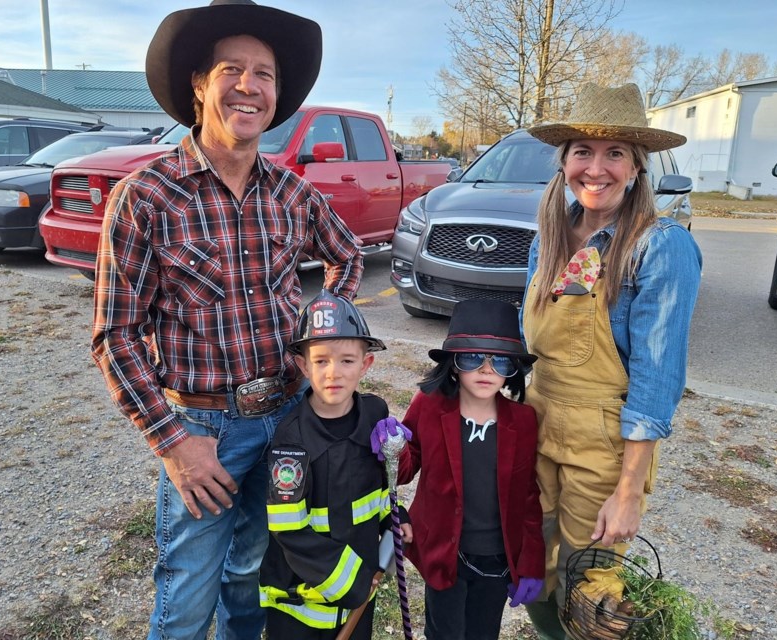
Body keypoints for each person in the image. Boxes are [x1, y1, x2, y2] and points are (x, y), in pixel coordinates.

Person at [90, 2, 364, 639]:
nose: (250, 85)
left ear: (276, 95)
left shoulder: (292, 193)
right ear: (198, 85)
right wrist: (174, 443)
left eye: (264, 74)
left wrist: (322, 331)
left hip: (287, 421)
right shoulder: (148, 197)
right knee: (187, 591)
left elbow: (347, 257)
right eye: (231, 69)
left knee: (250, 573)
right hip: (204, 428)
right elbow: (115, 335)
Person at [520, 82, 703, 638]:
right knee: (536, 564)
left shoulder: (659, 245)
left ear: (638, 167)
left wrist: (627, 492)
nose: (596, 168)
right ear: (563, 162)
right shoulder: (549, 236)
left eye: (615, 153)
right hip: (537, 423)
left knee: (590, 589)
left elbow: (656, 378)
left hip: (601, 445)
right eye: (583, 152)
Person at [259, 291, 412, 639]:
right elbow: (289, 530)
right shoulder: (291, 442)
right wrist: (352, 580)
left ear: (366, 364)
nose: (334, 373)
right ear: (303, 365)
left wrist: (394, 515)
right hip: (302, 604)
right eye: (321, 360)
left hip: (358, 598)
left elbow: (377, 488)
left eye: (346, 360)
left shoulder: (375, 414)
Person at [395, 299, 546, 640]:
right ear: (452, 364)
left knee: (483, 632)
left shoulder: (522, 421)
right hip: (443, 553)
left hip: (496, 561)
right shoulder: (429, 406)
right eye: (473, 358)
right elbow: (404, 469)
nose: (486, 370)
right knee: (443, 632)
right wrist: (391, 446)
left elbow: (528, 497)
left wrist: (532, 561)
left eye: (501, 361)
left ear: (514, 369)